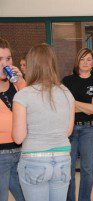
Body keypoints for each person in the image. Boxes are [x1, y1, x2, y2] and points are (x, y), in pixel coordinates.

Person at [12, 43, 75, 201]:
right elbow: (68, 131)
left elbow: (18, 137)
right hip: (62, 159)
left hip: (34, 159)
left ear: (31, 65)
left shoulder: (23, 95)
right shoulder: (66, 92)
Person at [63, 47, 93, 201]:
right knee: (69, 169)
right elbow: (64, 106)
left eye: (89, 59)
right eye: (82, 59)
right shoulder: (67, 81)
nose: (86, 62)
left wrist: (72, 103)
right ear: (77, 62)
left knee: (87, 169)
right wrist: (83, 107)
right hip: (69, 129)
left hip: (89, 129)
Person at [0, 37, 25, 201]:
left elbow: (35, 110)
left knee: (26, 197)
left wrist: (22, 81)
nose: (4, 64)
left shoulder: (18, 86)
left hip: (21, 152)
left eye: (8, 58)